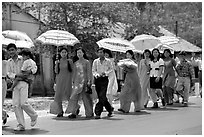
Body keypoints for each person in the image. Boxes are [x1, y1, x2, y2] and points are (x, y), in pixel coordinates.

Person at [7, 44, 38, 131]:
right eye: (9, 50)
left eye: (13, 50)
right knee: (16, 104)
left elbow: (34, 67)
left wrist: (30, 72)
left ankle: (33, 115)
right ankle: (21, 125)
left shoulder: (24, 58)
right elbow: (9, 73)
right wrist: (17, 75)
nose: (11, 52)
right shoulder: (9, 62)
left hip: (24, 82)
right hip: (15, 83)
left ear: (16, 50)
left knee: (23, 103)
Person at [66, 47, 93, 118]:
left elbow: (89, 72)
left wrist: (89, 81)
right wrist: (73, 81)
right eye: (78, 53)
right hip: (77, 83)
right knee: (73, 97)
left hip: (85, 82)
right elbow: (74, 73)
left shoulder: (87, 62)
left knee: (86, 98)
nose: (79, 54)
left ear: (83, 53)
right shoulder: (75, 63)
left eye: (80, 52)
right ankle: (73, 112)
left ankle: (89, 113)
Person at [50, 47, 74, 117]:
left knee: (69, 95)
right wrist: (56, 64)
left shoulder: (69, 61)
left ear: (67, 53)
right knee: (58, 95)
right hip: (60, 80)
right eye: (62, 52)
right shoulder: (58, 61)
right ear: (60, 53)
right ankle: (60, 111)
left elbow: (73, 71)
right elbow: (56, 71)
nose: (64, 54)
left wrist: (73, 80)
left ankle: (73, 110)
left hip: (68, 80)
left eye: (65, 52)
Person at [92, 48, 114, 119]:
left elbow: (111, 69)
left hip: (104, 79)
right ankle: (109, 109)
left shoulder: (108, 61)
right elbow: (93, 70)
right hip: (98, 79)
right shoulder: (95, 61)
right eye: (99, 52)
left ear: (104, 53)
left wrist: (106, 73)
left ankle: (98, 112)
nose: (100, 54)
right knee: (101, 96)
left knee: (102, 95)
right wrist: (96, 75)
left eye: (101, 52)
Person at [2, 50, 9, 125]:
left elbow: (6, 73)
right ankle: (3, 114)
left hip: (2, 81)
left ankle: (3, 114)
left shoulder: (5, 62)